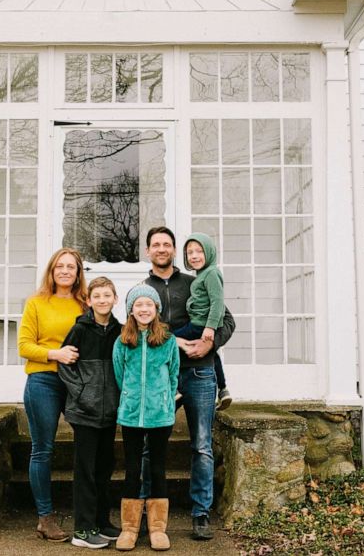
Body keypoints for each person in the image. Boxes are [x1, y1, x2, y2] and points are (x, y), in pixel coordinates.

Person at [143, 226, 234, 541]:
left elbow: (226, 320)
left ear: (173, 250)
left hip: (199, 374)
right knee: (150, 446)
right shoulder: (144, 291)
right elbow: (140, 332)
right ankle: (150, 514)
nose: (162, 249)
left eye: (167, 244)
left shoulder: (196, 282)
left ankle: (200, 514)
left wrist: (210, 344)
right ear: (148, 251)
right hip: (160, 378)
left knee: (202, 446)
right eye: (156, 244)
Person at [17, 247, 88, 542]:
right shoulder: (36, 303)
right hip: (43, 381)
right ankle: (45, 518)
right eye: (60, 266)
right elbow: (24, 346)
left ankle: (89, 513)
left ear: (78, 273)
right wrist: (55, 353)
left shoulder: (85, 305)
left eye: (71, 267)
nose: (65, 271)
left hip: (78, 384)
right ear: (51, 270)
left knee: (88, 446)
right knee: (42, 449)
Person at [58, 277, 123, 549]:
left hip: (109, 412)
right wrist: (82, 393)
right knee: (85, 470)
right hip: (84, 411)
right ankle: (82, 531)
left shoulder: (120, 331)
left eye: (107, 295)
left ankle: (102, 522)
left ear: (115, 299)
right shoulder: (80, 329)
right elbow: (65, 366)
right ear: (89, 300)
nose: (102, 300)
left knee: (104, 468)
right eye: (97, 296)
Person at [112, 285, 179, 552]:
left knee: (157, 468)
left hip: (160, 415)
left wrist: (164, 400)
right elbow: (119, 376)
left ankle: (157, 529)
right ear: (131, 310)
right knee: (131, 468)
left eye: (148, 305)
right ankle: (129, 528)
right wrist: (130, 397)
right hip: (130, 415)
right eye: (138, 305)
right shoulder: (122, 341)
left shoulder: (168, 340)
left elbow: (173, 375)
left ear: (156, 309)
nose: (143, 309)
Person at [175, 233, 232, 410]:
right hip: (201, 323)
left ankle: (174, 387)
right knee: (212, 355)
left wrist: (210, 327)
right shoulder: (201, 275)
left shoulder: (211, 273)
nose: (194, 256)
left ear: (209, 252)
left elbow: (217, 302)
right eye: (189, 252)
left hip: (200, 324)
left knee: (169, 341)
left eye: (199, 251)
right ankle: (223, 389)